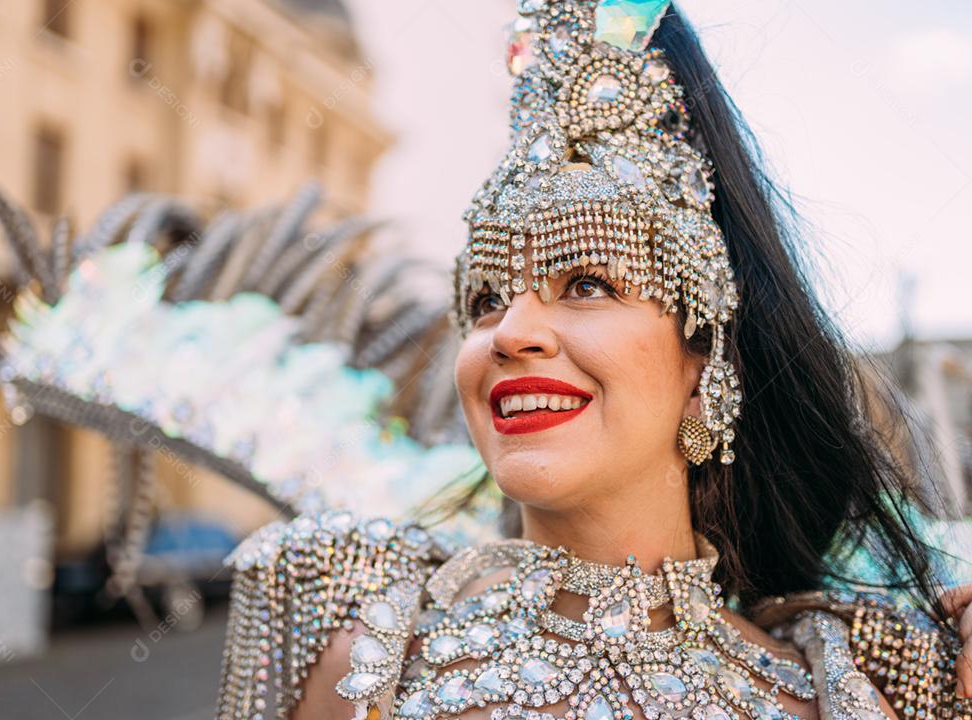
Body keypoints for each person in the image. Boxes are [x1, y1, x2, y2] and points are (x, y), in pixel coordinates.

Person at [213, 2, 972, 719]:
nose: (510, 333)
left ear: (703, 362)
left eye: (586, 282)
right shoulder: (355, 644)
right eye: (484, 301)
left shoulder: (850, 686)